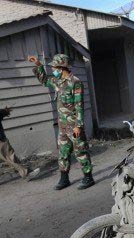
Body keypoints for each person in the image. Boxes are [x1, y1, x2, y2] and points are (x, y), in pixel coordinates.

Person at [28, 54, 95, 191]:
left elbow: (79, 105)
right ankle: (64, 179)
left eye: (54, 67)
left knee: (80, 152)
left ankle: (88, 177)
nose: (53, 69)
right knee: (63, 153)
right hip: (63, 126)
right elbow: (44, 80)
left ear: (62, 67)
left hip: (74, 125)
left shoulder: (75, 82)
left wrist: (78, 125)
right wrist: (39, 65)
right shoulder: (57, 81)